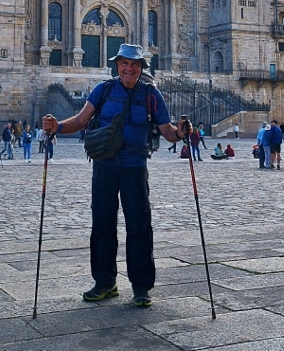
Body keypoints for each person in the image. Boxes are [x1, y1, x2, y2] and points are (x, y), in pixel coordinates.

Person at [42, 43, 188, 309]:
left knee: (139, 226)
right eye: (124, 63)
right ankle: (104, 282)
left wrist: (179, 133)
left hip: (134, 166)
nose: (129, 68)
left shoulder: (151, 94)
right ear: (117, 65)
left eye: (134, 64)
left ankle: (141, 287)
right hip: (105, 164)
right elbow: (80, 121)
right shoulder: (104, 90)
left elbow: (166, 130)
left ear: (141, 67)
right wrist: (57, 127)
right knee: (102, 224)